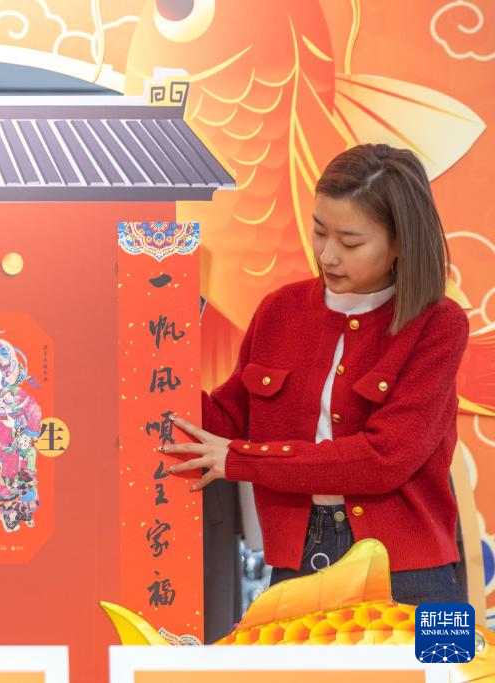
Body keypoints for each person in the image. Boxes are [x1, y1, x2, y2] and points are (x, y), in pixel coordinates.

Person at [165, 143, 469, 605]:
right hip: (299, 558)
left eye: (350, 242)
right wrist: (160, 354)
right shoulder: (279, 311)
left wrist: (245, 460)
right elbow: (225, 422)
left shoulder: (440, 324)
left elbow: (383, 459)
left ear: (399, 243)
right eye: (318, 231)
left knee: (442, 656)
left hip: (414, 573)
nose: (327, 255)